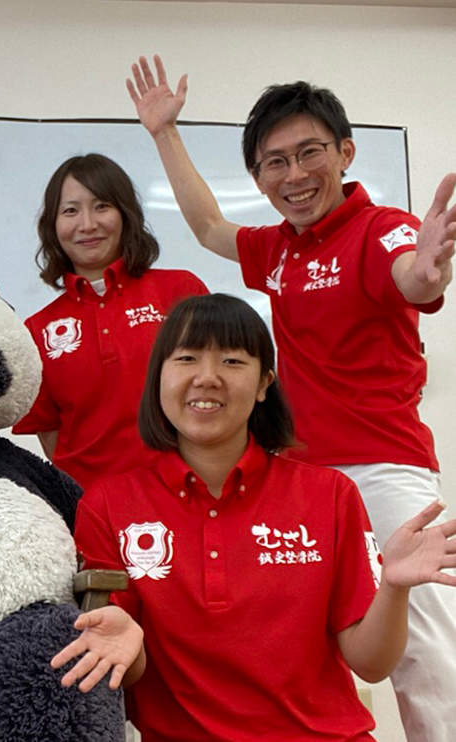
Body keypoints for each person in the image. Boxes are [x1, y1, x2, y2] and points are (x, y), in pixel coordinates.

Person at [127, 54, 456, 739]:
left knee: (424, 654)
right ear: (260, 177)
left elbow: (410, 274)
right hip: (300, 478)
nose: (294, 174)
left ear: (345, 153)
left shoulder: (377, 228)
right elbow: (211, 230)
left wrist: (425, 271)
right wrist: (164, 134)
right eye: (274, 162)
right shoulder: (278, 248)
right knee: (315, 643)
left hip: (381, 471)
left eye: (310, 153)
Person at [51, 293, 456, 741]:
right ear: (159, 378)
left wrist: (395, 589)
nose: (207, 378)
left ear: (265, 383)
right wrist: (124, 639)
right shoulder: (108, 505)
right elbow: (122, 657)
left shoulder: (330, 494)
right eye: (186, 358)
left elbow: (371, 664)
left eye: (232, 361)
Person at [11, 154, 207, 489]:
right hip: (90, 511)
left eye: (102, 206)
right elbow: (49, 431)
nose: (87, 224)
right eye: (70, 211)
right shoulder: (36, 329)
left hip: (185, 494)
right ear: (53, 226)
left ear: (126, 214)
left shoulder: (180, 290)